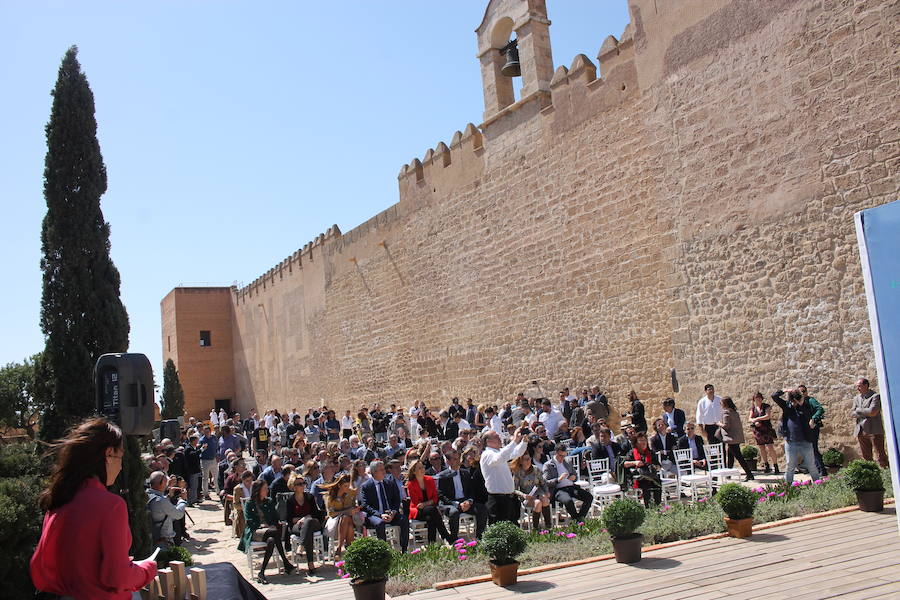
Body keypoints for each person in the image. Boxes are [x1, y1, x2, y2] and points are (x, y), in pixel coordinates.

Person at [31, 418, 158, 599]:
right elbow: (117, 577)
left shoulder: (59, 499)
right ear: (108, 454)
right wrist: (148, 569)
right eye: (120, 457)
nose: (120, 467)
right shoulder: (110, 505)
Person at [238, 479, 296, 584]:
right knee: (273, 533)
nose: (267, 491)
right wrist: (261, 525)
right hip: (255, 531)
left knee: (271, 540)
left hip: (269, 530)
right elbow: (249, 521)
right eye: (265, 489)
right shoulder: (250, 503)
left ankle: (262, 572)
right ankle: (286, 562)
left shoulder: (268, 501)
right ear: (258, 490)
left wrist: (271, 524)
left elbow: (275, 517)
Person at [771, 389, 822, 483]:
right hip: (791, 441)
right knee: (790, 465)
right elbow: (774, 396)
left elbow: (809, 415)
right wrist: (784, 390)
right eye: (793, 400)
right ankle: (788, 487)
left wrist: (801, 403)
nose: (795, 402)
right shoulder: (787, 406)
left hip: (806, 441)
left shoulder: (805, 406)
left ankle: (818, 484)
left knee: (811, 465)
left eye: (796, 399)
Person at [480, 427, 528, 524]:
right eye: (496, 437)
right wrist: (514, 440)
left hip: (508, 498)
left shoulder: (498, 452)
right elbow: (500, 457)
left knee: (513, 529)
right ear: (488, 441)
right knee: (499, 531)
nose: (500, 438)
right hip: (497, 500)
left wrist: (524, 441)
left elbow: (516, 453)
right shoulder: (487, 454)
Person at [436, 450, 488, 539]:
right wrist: (456, 504)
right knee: (454, 513)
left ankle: (480, 537)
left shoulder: (465, 473)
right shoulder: (443, 475)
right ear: (448, 461)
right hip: (451, 503)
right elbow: (441, 494)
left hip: (465, 501)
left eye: (458, 459)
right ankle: (454, 539)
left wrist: (469, 501)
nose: (458, 461)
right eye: (455, 459)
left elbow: (471, 490)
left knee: (482, 509)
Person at [359, 461, 409, 552]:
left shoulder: (390, 483)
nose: (384, 472)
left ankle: (404, 549)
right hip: (375, 515)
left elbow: (396, 500)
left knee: (404, 520)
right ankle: (384, 551)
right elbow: (364, 505)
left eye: (384, 469)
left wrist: (393, 512)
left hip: (390, 513)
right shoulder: (366, 486)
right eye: (381, 470)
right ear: (374, 472)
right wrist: (380, 515)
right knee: (380, 523)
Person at [406, 459, 454, 545]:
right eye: (419, 468)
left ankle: (432, 543)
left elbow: (435, 498)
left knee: (431, 518)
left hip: (430, 510)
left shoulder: (429, 480)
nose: (422, 469)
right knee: (432, 511)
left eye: (423, 467)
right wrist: (427, 504)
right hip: (418, 510)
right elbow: (417, 504)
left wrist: (426, 503)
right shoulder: (411, 484)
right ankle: (446, 535)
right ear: (414, 472)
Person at [284, 473, 324, 574]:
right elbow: (289, 519)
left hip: (313, 522)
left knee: (309, 522)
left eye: (303, 483)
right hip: (298, 525)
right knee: (307, 531)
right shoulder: (290, 500)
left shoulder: (309, 497)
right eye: (299, 484)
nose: (302, 485)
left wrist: (305, 518)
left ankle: (301, 546)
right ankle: (311, 564)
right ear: (293, 487)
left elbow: (315, 514)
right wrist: (300, 520)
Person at [544, 443, 593, 522]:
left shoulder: (568, 461)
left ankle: (579, 518)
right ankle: (578, 520)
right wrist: (558, 479)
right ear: (555, 453)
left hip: (571, 486)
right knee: (568, 501)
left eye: (564, 455)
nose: (562, 458)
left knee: (589, 497)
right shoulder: (548, 465)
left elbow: (575, 475)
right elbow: (545, 482)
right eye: (560, 456)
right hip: (558, 489)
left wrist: (574, 477)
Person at [850, 378, 888, 468]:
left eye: (859, 386)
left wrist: (858, 410)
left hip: (873, 429)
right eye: (856, 386)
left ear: (866, 385)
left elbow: (873, 412)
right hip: (861, 430)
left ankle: (886, 473)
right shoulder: (856, 398)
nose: (857, 388)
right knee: (866, 456)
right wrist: (864, 412)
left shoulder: (875, 396)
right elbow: (851, 413)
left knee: (880, 455)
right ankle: (870, 474)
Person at [321, 472, 360, 558]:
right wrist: (346, 511)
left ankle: (340, 548)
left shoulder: (351, 493)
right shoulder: (330, 496)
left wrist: (354, 509)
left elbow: (354, 505)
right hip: (334, 520)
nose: (347, 488)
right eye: (345, 486)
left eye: (348, 485)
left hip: (350, 520)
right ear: (339, 486)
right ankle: (349, 547)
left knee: (347, 519)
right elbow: (331, 513)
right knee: (346, 518)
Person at [510, 453, 553, 530]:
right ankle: (535, 528)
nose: (528, 461)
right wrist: (523, 495)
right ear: (521, 461)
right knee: (537, 503)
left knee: (545, 500)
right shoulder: (518, 473)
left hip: (538, 492)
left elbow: (543, 482)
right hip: (527, 496)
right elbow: (514, 489)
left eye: (529, 459)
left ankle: (548, 526)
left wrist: (546, 491)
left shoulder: (535, 469)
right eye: (526, 459)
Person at [147, 471, 188, 550]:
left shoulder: (148, 495)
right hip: (163, 540)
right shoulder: (160, 500)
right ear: (162, 483)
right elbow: (178, 514)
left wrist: (168, 497)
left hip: (151, 537)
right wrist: (182, 500)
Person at [716, 397, 754, 480]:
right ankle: (728, 474)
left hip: (731, 438)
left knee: (739, 457)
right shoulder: (734, 412)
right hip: (736, 437)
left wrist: (719, 424)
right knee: (730, 455)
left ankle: (749, 474)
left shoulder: (726, 413)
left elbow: (726, 426)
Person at [624, 432, 661, 507]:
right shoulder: (632, 453)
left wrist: (655, 467)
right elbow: (624, 464)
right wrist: (635, 462)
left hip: (651, 476)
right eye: (641, 440)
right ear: (636, 443)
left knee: (658, 483)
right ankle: (647, 507)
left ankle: (657, 505)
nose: (643, 442)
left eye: (645, 440)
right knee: (646, 484)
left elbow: (659, 466)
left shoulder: (650, 453)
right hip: (638, 478)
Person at [748, 392, 779, 473]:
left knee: (770, 447)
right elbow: (750, 418)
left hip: (766, 429)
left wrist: (757, 419)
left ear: (762, 399)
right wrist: (754, 422)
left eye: (759, 399)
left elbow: (767, 416)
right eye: (756, 399)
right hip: (758, 430)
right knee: (761, 448)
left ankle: (776, 466)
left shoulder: (766, 406)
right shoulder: (753, 409)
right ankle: (766, 465)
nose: (758, 400)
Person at [198, 426, 218, 500]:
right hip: (205, 460)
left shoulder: (214, 438)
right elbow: (198, 450)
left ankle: (218, 491)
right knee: (205, 478)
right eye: (205, 432)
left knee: (216, 476)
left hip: (213, 459)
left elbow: (216, 447)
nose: (206, 433)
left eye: (208, 431)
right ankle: (206, 493)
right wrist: (202, 448)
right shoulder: (202, 440)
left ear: (210, 431)